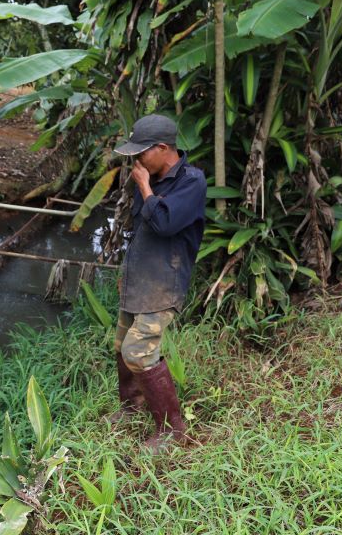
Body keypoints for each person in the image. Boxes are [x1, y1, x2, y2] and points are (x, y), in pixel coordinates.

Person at [108, 114, 206, 453]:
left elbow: (164, 223)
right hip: (140, 278)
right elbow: (141, 232)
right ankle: (131, 406)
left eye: (141, 152)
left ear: (163, 148)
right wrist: (128, 273)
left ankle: (172, 430)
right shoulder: (150, 176)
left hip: (164, 282)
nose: (136, 161)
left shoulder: (191, 182)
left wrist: (145, 188)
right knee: (122, 346)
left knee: (139, 351)